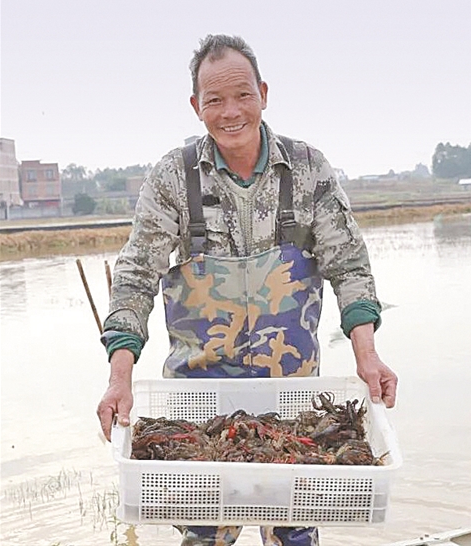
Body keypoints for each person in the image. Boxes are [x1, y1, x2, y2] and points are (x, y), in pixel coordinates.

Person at [97, 34, 397, 546]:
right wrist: (118, 376)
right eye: (214, 99)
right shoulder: (173, 176)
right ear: (196, 106)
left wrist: (367, 355)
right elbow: (135, 276)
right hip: (198, 404)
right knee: (204, 532)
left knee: (296, 531)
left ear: (263, 92)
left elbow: (349, 265)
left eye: (243, 95)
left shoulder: (306, 170)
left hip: (295, 401)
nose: (230, 111)